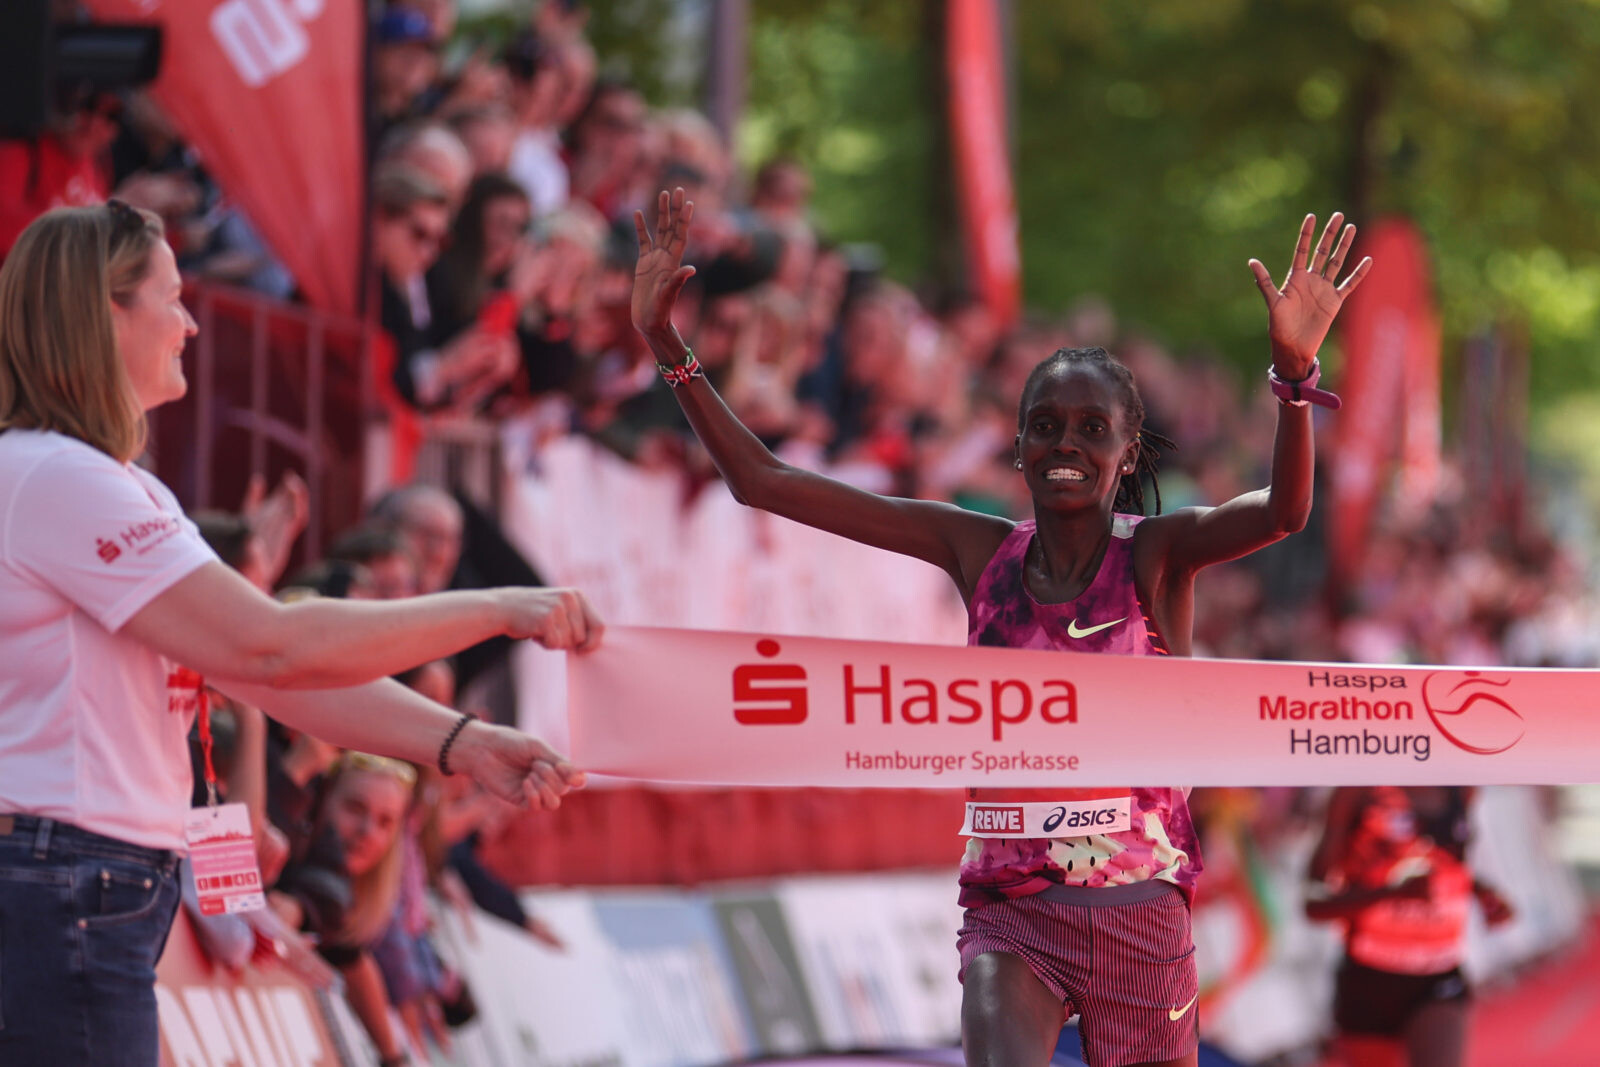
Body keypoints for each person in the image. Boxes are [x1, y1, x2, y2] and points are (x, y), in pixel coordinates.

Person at [632, 187, 1370, 1067]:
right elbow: (764, 482)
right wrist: (666, 344)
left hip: (1140, 918)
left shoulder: (1157, 554)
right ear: (1017, 446)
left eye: (1092, 428)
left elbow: (1284, 512)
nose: (1066, 444)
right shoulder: (976, 548)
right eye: (1045, 426)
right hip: (1010, 917)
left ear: (1128, 451)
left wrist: (1294, 381)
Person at [0, 200, 601, 1065]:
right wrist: (497, 609)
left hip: (85, 880)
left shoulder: (102, 481)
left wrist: (464, 742)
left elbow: (272, 674)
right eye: (171, 299)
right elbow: (275, 647)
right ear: (104, 315)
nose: (190, 323)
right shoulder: (59, 476)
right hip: (67, 880)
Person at [1305, 787, 1514, 1067]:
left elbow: (1451, 861)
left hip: (1438, 974)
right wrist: (1391, 893)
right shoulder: (1357, 792)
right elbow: (1314, 903)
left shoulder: (1462, 788)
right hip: (1369, 977)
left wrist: (1481, 892)